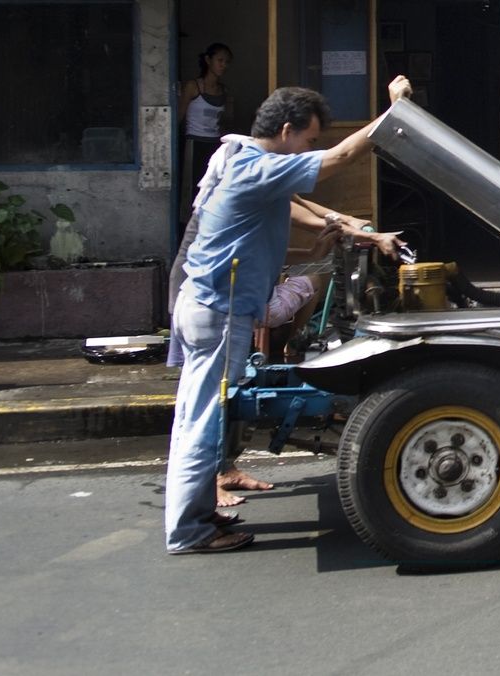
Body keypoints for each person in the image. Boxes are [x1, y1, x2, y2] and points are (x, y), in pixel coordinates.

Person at [165, 76, 412, 554]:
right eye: (308, 140)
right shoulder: (257, 167)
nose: (311, 149)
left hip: (213, 306)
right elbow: (339, 159)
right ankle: (188, 531)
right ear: (285, 131)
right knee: (200, 422)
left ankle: (197, 515)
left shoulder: (248, 165)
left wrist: (355, 229)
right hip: (221, 310)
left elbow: (307, 213)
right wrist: (396, 112)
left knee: (199, 419)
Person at [178, 43, 234, 230]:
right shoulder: (193, 87)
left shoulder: (224, 91)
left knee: (214, 189)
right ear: (208, 60)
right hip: (195, 143)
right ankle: (190, 230)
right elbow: (179, 116)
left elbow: (226, 123)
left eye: (227, 62)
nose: (223, 65)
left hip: (215, 145)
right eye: (220, 60)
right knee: (193, 189)